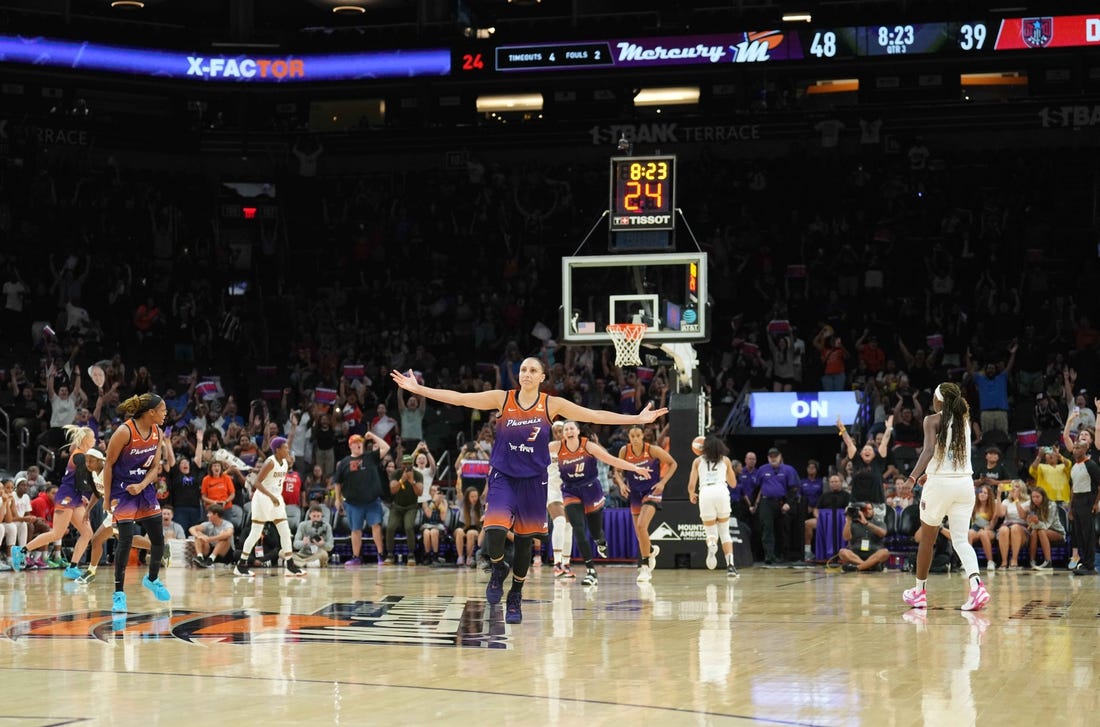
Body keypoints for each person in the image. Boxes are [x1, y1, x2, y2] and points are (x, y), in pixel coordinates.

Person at [390, 359, 666, 624]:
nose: (527, 374)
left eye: (533, 370)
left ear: (542, 377)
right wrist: (418, 389)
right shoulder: (503, 399)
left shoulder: (551, 404)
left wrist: (637, 417)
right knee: (495, 535)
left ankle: (516, 595)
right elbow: (461, 398)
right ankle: (499, 569)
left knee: (524, 542)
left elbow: (594, 415)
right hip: (503, 477)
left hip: (534, 480)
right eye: (523, 369)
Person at [901, 383, 990, 611]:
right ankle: (977, 587)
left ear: (939, 400)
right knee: (961, 540)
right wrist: (929, 474)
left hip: (940, 486)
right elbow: (949, 455)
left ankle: (919, 592)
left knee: (927, 540)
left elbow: (929, 450)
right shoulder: (965, 422)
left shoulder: (932, 419)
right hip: (964, 485)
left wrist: (912, 478)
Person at [553, 421, 651, 587]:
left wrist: (635, 468)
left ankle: (601, 541)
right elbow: (532, 452)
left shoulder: (588, 446)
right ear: (563, 434)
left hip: (591, 489)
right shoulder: (556, 446)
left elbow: (612, 460)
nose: (568, 431)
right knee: (578, 529)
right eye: (566, 429)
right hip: (570, 491)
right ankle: (591, 570)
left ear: (577, 431)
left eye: (572, 428)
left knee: (595, 531)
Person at [100, 393, 172, 612]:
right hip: (122, 491)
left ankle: (152, 578)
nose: (165, 413)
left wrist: (142, 486)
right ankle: (119, 594)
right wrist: (106, 499)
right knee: (125, 540)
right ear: (151, 412)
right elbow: (109, 465)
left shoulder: (158, 433)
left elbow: (155, 468)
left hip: (144, 489)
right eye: (163, 410)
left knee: (159, 540)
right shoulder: (124, 431)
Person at [11, 425, 97, 577]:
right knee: (57, 533)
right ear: (86, 439)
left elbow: (81, 482)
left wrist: (85, 493)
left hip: (75, 496)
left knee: (87, 532)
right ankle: (21, 550)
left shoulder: (80, 453)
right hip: (67, 496)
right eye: (93, 437)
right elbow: (83, 482)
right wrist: (98, 489)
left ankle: (72, 567)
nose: (95, 439)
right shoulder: (79, 456)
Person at [614, 424, 677, 583]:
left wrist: (663, 483)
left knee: (642, 526)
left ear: (643, 436)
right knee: (639, 533)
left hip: (652, 491)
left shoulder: (652, 450)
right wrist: (621, 484)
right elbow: (617, 471)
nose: (635, 439)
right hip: (634, 493)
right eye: (632, 436)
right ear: (629, 437)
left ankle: (645, 567)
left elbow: (673, 464)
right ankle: (649, 550)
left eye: (638, 435)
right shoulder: (624, 451)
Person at [234, 437, 304, 577]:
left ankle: (290, 564)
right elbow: (257, 483)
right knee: (255, 533)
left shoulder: (284, 462)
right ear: (277, 450)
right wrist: (271, 496)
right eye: (285, 448)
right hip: (263, 499)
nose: (288, 450)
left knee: (285, 531)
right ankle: (241, 565)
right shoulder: (270, 462)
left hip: (276, 498)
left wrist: (275, 496)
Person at [332, 432, 390, 566]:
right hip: (353, 503)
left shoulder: (370, 457)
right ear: (350, 445)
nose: (359, 444)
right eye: (356, 442)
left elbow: (386, 447)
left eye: (361, 442)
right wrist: (337, 499)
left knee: (376, 526)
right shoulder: (344, 463)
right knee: (355, 529)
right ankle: (356, 557)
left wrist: (374, 436)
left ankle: (381, 555)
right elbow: (337, 482)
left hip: (372, 501)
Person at [687, 435, 740, 578]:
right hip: (721, 492)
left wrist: (692, 493)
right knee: (724, 531)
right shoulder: (726, 460)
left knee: (710, 532)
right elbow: (733, 484)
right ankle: (730, 566)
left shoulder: (697, 461)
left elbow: (692, 485)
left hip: (706, 493)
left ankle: (711, 544)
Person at [751, 447, 800, 564]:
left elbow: (794, 488)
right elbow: (757, 488)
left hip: (781, 502)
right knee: (766, 528)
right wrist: (754, 504)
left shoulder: (788, 470)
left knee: (781, 529)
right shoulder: (762, 469)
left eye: (775, 456)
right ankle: (769, 555)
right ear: (768, 458)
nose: (773, 459)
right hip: (766, 502)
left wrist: (788, 503)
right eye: (770, 457)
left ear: (780, 457)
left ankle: (781, 555)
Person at [383, 454, 423, 565]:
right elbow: (392, 490)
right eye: (405, 464)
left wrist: (412, 482)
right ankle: (390, 554)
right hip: (397, 507)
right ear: (401, 464)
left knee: (409, 527)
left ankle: (411, 555)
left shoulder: (418, 475)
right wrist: (402, 480)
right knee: (390, 527)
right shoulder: (396, 474)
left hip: (411, 507)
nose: (407, 466)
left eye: (409, 464)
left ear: (412, 464)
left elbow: (419, 492)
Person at [1067, 439, 1100, 574]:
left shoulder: (1091, 465)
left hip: (1088, 500)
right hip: (1077, 501)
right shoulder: (1074, 467)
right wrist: (1071, 507)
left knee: (1088, 534)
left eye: (1079, 448)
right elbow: (1073, 488)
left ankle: (1090, 565)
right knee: (1079, 534)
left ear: (1086, 449)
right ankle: (1084, 563)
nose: (1075, 450)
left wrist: (1096, 502)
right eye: (1074, 448)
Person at [837, 501, 891, 572]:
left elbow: (882, 533)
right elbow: (846, 538)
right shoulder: (852, 523)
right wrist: (848, 521)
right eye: (865, 509)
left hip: (874, 553)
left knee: (885, 552)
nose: (868, 511)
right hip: (856, 554)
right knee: (842, 552)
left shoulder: (879, 523)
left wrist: (866, 523)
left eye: (870, 509)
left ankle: (858, 567)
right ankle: (870, 566)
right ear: (860, 511)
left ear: (873, 511)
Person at [1024, 486, 1064, 570]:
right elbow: (1032, 526)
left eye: (1037, 497)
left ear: (1043, 496)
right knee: (1034, 531)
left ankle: (1048, 562)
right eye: (1033, 497)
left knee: (1041, 531)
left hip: (1057, 532)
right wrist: (1029, 520)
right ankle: (1032, 561)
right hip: (1040, 530)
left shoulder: (1051, 505)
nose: (1035, 499)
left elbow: (1047, 525)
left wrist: (1037, 522)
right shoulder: (1032, 506)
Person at [996, 481, 1030, 569]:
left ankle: (1014, 560)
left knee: (1015, 528)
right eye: (1012, 486)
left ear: (1022, 489)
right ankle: (1004, 562)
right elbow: (1000, 514)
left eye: (1017, 487)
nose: (1013, 489)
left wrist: (1016, 500)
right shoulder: (1006, 501)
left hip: (1021, 529)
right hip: (1007, 528)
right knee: (1003, 529)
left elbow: (1022, 516)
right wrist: (999, 496)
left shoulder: (1028, 501)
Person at [291, 503, 335, 568]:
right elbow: (295, 544)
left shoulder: (327, 526)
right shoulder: (302, 525)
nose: (316, 519)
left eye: (318, 516)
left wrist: (322, 544)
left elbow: (330, 546)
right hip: (302, 554)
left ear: (321, 516)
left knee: (324, 554)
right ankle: (307, 563)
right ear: (309, 515)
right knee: (282, 552)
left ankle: (300, 563)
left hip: (317, 554)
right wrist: (303, 543)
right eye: (314, 516)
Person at [968, 484, 999, 572]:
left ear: (989, 495)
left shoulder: (993, 505)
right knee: (969, 533)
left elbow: (992, 525)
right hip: (976, 528)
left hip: (989, 529)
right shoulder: (974, 505)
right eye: (980, 492)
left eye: (985, 493)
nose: (982, 494)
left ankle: (990, 561)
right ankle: (968, 563)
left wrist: (985, 529)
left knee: (983, 533)